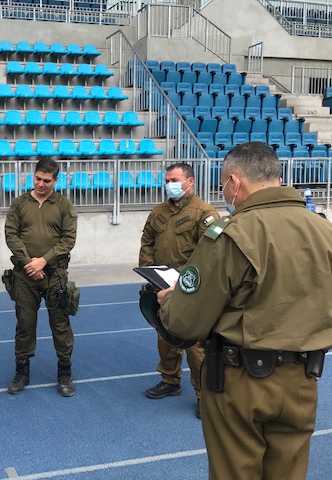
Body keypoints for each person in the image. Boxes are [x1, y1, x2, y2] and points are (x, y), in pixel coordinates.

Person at [157, 142, 332, 479]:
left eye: (224, 185)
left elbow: (184, 323)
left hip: (240, 381)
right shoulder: (323, 230)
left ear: (234, 183)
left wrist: (170, 302)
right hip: (303, 380)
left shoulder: (231, 235)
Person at [139, 162, 218, 418]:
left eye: (174, 180)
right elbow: (147, 240)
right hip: (162, 286)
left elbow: (210, 254)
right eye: (166, 181)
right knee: (165, 336)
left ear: (190, 182)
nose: (169, 185)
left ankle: (203, 394)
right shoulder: (159, 211)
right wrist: (148, 271)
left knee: (194, 345)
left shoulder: (204, 213)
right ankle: (170, 380)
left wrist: (187, 280)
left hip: (191, 288)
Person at [4, 159, 78, 397]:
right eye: (37, 179)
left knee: (60, 324)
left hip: (55, 275)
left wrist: (43, 261)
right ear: (32, 176)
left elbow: (68, 240)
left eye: (47, 180)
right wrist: (29, 263)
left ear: (56, 181)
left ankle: (64, 372)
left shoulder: (64, 205)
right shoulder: (19, 203)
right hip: (25, 276)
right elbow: (11, 235)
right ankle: (22, 372)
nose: (41, 184)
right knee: (25, 323)